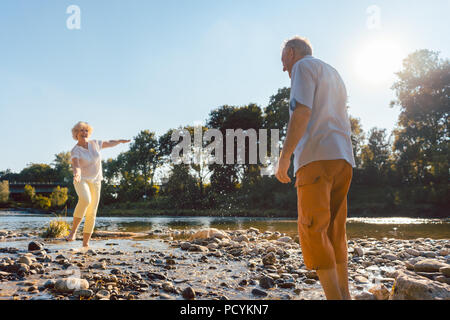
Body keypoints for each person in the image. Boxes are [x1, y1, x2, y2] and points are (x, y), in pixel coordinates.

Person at [275, 36, 356, 300]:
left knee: (313, 230)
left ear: (291, 52)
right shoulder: (333, 72)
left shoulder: (302, 67)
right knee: (335, 230)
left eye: (283, 62)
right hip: (343, 158)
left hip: (316, 157)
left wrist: (285, 157)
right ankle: (345, 295)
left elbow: (302, 113)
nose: (284, 69)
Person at [65, 121, 130, 248]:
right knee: (85, 199)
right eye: (81, 131)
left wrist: (120, 141)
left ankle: (85, 244)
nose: (84, 133)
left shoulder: (95, 144)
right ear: (76, 134)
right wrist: (77, 174)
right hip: (81, 179)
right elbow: (76, 164)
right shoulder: (75, 150)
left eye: (86, 131)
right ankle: (72, 233)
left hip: (96, 181)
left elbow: (110, 142)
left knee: (92, 212)